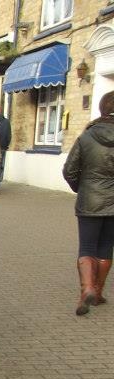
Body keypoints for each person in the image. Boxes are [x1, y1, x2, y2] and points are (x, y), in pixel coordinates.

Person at [62, 90, 114, 316]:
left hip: (90, 199)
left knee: (87, 247)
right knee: (106, 246)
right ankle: (98, 292)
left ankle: (87, 289)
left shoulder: (86, 137)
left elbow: (69, 171)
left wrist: (81, 189)